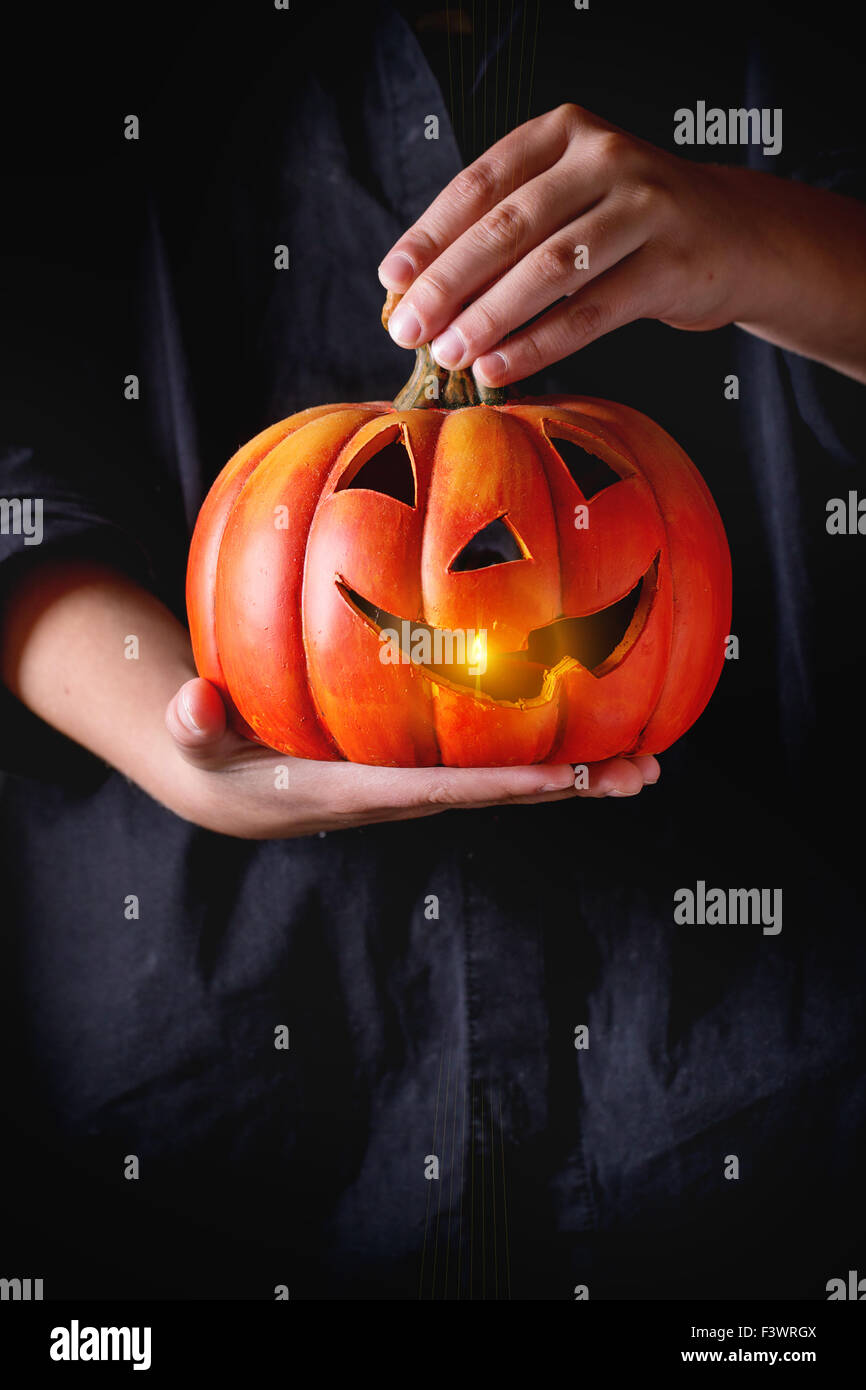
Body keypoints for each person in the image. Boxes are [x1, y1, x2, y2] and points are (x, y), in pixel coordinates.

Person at [0, 0, 863, 1298]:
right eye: (388, 501)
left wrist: (763, 242)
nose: (488, 566)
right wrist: (170, 741)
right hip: (222, 1082)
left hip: (752, 1097)